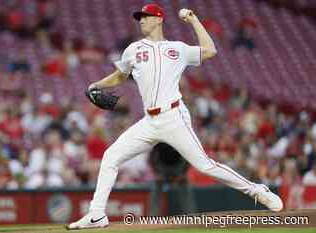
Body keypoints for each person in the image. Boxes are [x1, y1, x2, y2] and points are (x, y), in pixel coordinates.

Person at [68, 4, 283, 230]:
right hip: (149, 122)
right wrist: (96, 84)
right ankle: (97, 214)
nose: (141, 20)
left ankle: (258, 191)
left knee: (205, 166)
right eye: (139, 17)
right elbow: (120, 77)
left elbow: (210, 50)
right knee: (111, 156)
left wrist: (193, 20)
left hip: (173, 116)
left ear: (159, 19)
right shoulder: (133, 49)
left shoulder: (177, 48)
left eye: (146, 17)